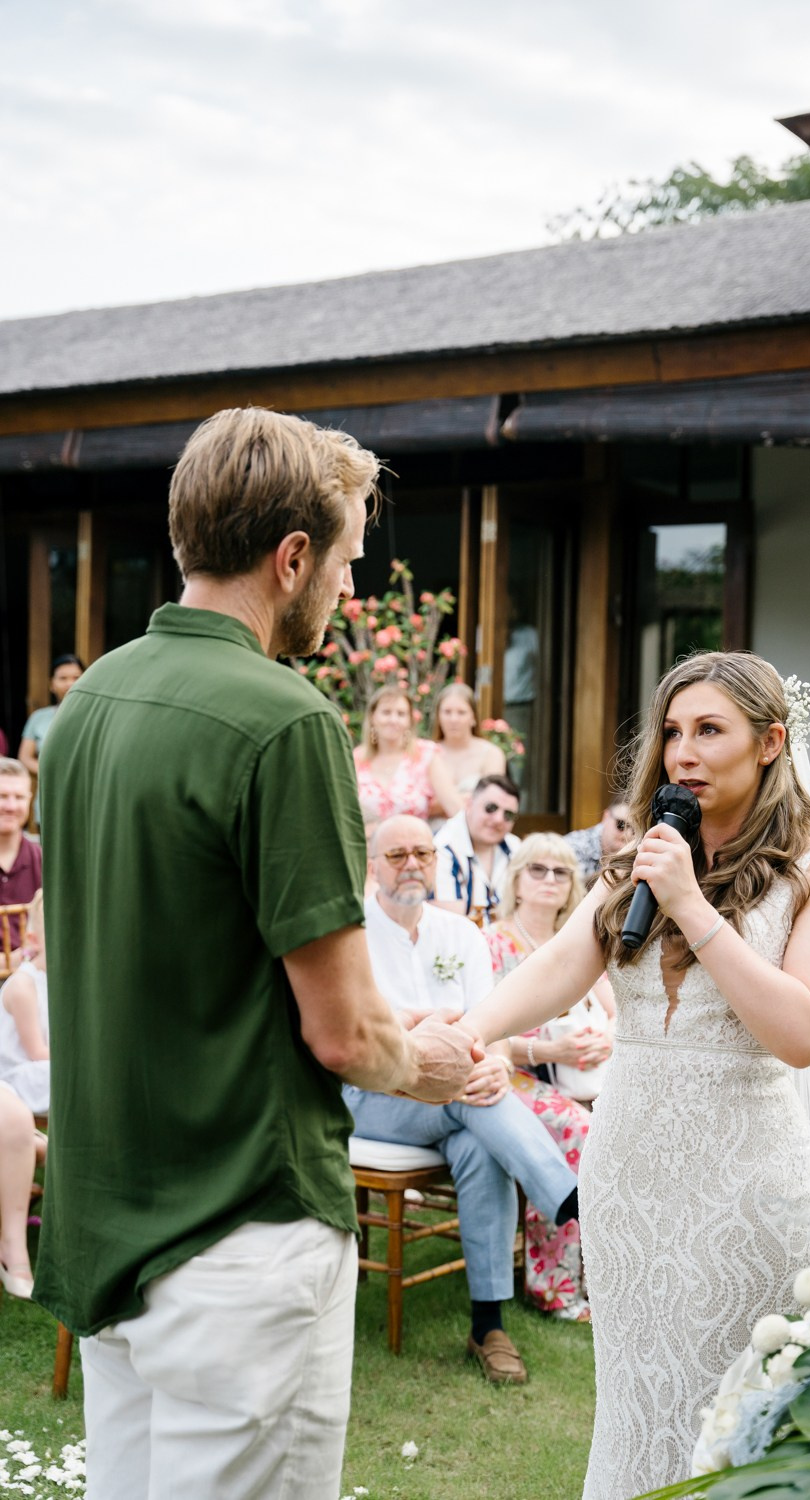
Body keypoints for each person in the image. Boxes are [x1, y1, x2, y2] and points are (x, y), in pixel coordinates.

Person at [31, 408, 479, 1500]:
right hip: (242, 1227)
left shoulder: (87, 708)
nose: (348, 591)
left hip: (109, 1223)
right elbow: (340, 1030)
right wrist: (422, 1058)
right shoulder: (285, 722)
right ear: (291, 559)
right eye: (346, 560)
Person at [460, 650, 810, 1496]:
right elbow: (562, 966)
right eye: (673, 732)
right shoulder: (640, 859)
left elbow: (805, 1032)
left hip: (748, 1179)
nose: (682, 752)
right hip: (631, 1170)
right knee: (637, 1403)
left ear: (769, 742)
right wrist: (471, 1029)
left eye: (709, 730)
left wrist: (688, 905)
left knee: (737, 1411)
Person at [343, 814, 581, 1382]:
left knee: (476, 1142)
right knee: (463, 1099)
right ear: (373, 865)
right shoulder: (350, 936)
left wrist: (498, 1070)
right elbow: (354, 1040)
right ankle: (575, 1207)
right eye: (396, 855)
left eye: (422, 854)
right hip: (370, 1102)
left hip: (458, 1099)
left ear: (436, 861)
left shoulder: (462, 935)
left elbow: (492, 1032)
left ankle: (487, 1326)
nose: (411, 865)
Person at [486, 833, 614, 1321]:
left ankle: (607, 1276)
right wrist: (548, 1048)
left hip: (579, 1075)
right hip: (513, 1075)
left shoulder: (574, 943)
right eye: (538, 870)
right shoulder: (493, 941)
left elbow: (616, 1010)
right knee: (577, 1132)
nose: (550, 880)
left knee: (623, 1132)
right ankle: (555, 1287)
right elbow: (484, 1030)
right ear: (516, 879)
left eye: (561, 872)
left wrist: (605, 1039)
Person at [0, 890, 48, 1298]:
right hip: (20, 1074)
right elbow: (37, 1052)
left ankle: (41, 1147)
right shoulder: (23, 985)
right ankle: (13, 1250)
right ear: (32, 939)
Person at [353, 684, 463, 834]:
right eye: (386, 712)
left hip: (413, 848)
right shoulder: (356, 759)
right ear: (373, 717)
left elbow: (455, 808)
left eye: (401, 714)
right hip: (368, 850)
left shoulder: (426, 755)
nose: (393, 720)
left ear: (410, 721)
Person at [434, 773, 521, 923]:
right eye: (491, 808)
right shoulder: (441, 849)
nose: (498, 819)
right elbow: (449, 925)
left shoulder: (516, 848)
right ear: (469, 803)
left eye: (508, 815)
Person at [431, 682, 506, 799]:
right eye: (447, 712)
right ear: (438, 716)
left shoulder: (491, 754)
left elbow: (491, 800)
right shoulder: (427, 753)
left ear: (473, 717)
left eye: (461, 712)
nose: (453, 719)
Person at [16, 654, 85, 779]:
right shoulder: (38, 717)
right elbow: (25, 757)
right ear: (51, 684)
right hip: (46, 792)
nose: (70, 683)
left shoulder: (94, 716)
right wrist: (52, 774)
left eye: (76, 677)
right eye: (63, 678)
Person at [0, 759, 42, 936]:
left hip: (32, 964)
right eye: (2, 796)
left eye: (19, 797)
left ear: (30, 800)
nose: (11, 806)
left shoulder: (42, 861)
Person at [564, 798, 634, 883]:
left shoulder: (635, 853)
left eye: (634, 829)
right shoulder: (572, 848)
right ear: (606, 816)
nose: (627, 834)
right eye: (621, 824)